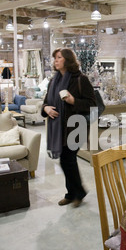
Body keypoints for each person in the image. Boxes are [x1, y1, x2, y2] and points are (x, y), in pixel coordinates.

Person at [41, 48, 96, 208]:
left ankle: (77, 193)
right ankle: (72, 193)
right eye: (55, 58)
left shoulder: (80, 79)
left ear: (67, 60)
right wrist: (46, 109)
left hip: (75, 127)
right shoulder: (54, 81)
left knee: (68, 160)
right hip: (58, 129)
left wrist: (73, 101)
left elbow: (92, 104)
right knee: (66, 160)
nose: (55, 61)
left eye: (59, 57)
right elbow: (45, 102)